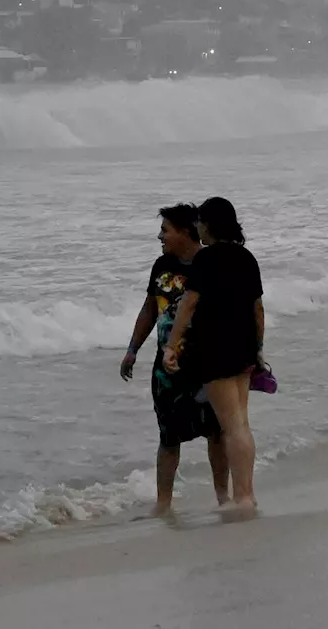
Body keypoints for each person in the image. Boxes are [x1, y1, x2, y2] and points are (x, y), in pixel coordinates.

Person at [121, 204, 230, 516]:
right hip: (167, 369)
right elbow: (149, 309)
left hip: (208, 364)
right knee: (168, 436)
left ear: (184, 231)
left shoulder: (209, 263)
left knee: (217, 433)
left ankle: (224, 498)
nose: (160, 236)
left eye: (165, 229)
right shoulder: (161, 265)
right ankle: (163, 504)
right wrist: (132, 349)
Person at [163, 197, 263, 518]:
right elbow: (257, 309)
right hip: (244, 347)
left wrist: (172, 345)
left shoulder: (207, 259)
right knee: (241, 423)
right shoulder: (247, 258)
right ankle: (246, 494)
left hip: (216, 349)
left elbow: (188, 305)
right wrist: (258, 348)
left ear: (210, 224)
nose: (198, 228)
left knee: (232, 426)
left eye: (201, 222)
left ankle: (244, 497)